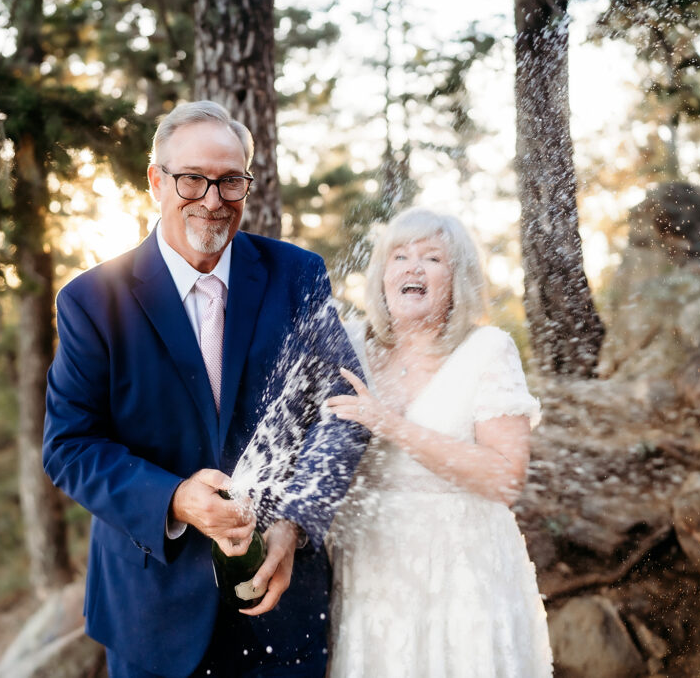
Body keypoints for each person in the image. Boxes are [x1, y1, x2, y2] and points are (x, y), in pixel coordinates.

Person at [42, 100, 368, 678]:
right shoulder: (91, 301)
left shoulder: (297, 276)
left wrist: (295, 520)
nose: (213, 200)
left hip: (281, 600)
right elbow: (70, 446)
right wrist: (173, 499)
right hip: (150, 613)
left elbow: (346, 408)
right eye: (192, 179)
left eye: (229, 181)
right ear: (155, 181)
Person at [326, 207, 553, 677]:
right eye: (399, 256)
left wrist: (390, 424)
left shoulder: (487, 349)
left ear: (458, 278)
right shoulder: (347, 343)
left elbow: (505, 478)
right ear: (382, 276)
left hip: (462, 577)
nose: (412, 267)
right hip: (368, 574)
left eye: (431, 258)